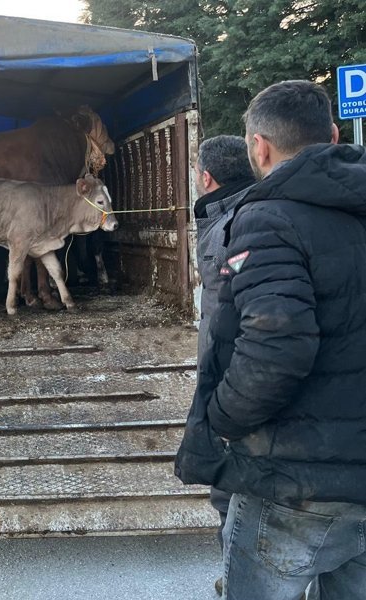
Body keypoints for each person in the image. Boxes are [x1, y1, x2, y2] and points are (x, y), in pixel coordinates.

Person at [175, 80, 366, 600]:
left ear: (258, 146)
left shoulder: (267, 219)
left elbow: (276, 345)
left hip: (293, 480)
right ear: (331, 134)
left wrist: (221, 420)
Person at [191, 135, 255, 585]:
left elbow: (232, 320)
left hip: (237, 382)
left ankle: (239, 577)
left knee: (232, 484)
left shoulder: (233, 228)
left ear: (206, 177)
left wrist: (221, 399)